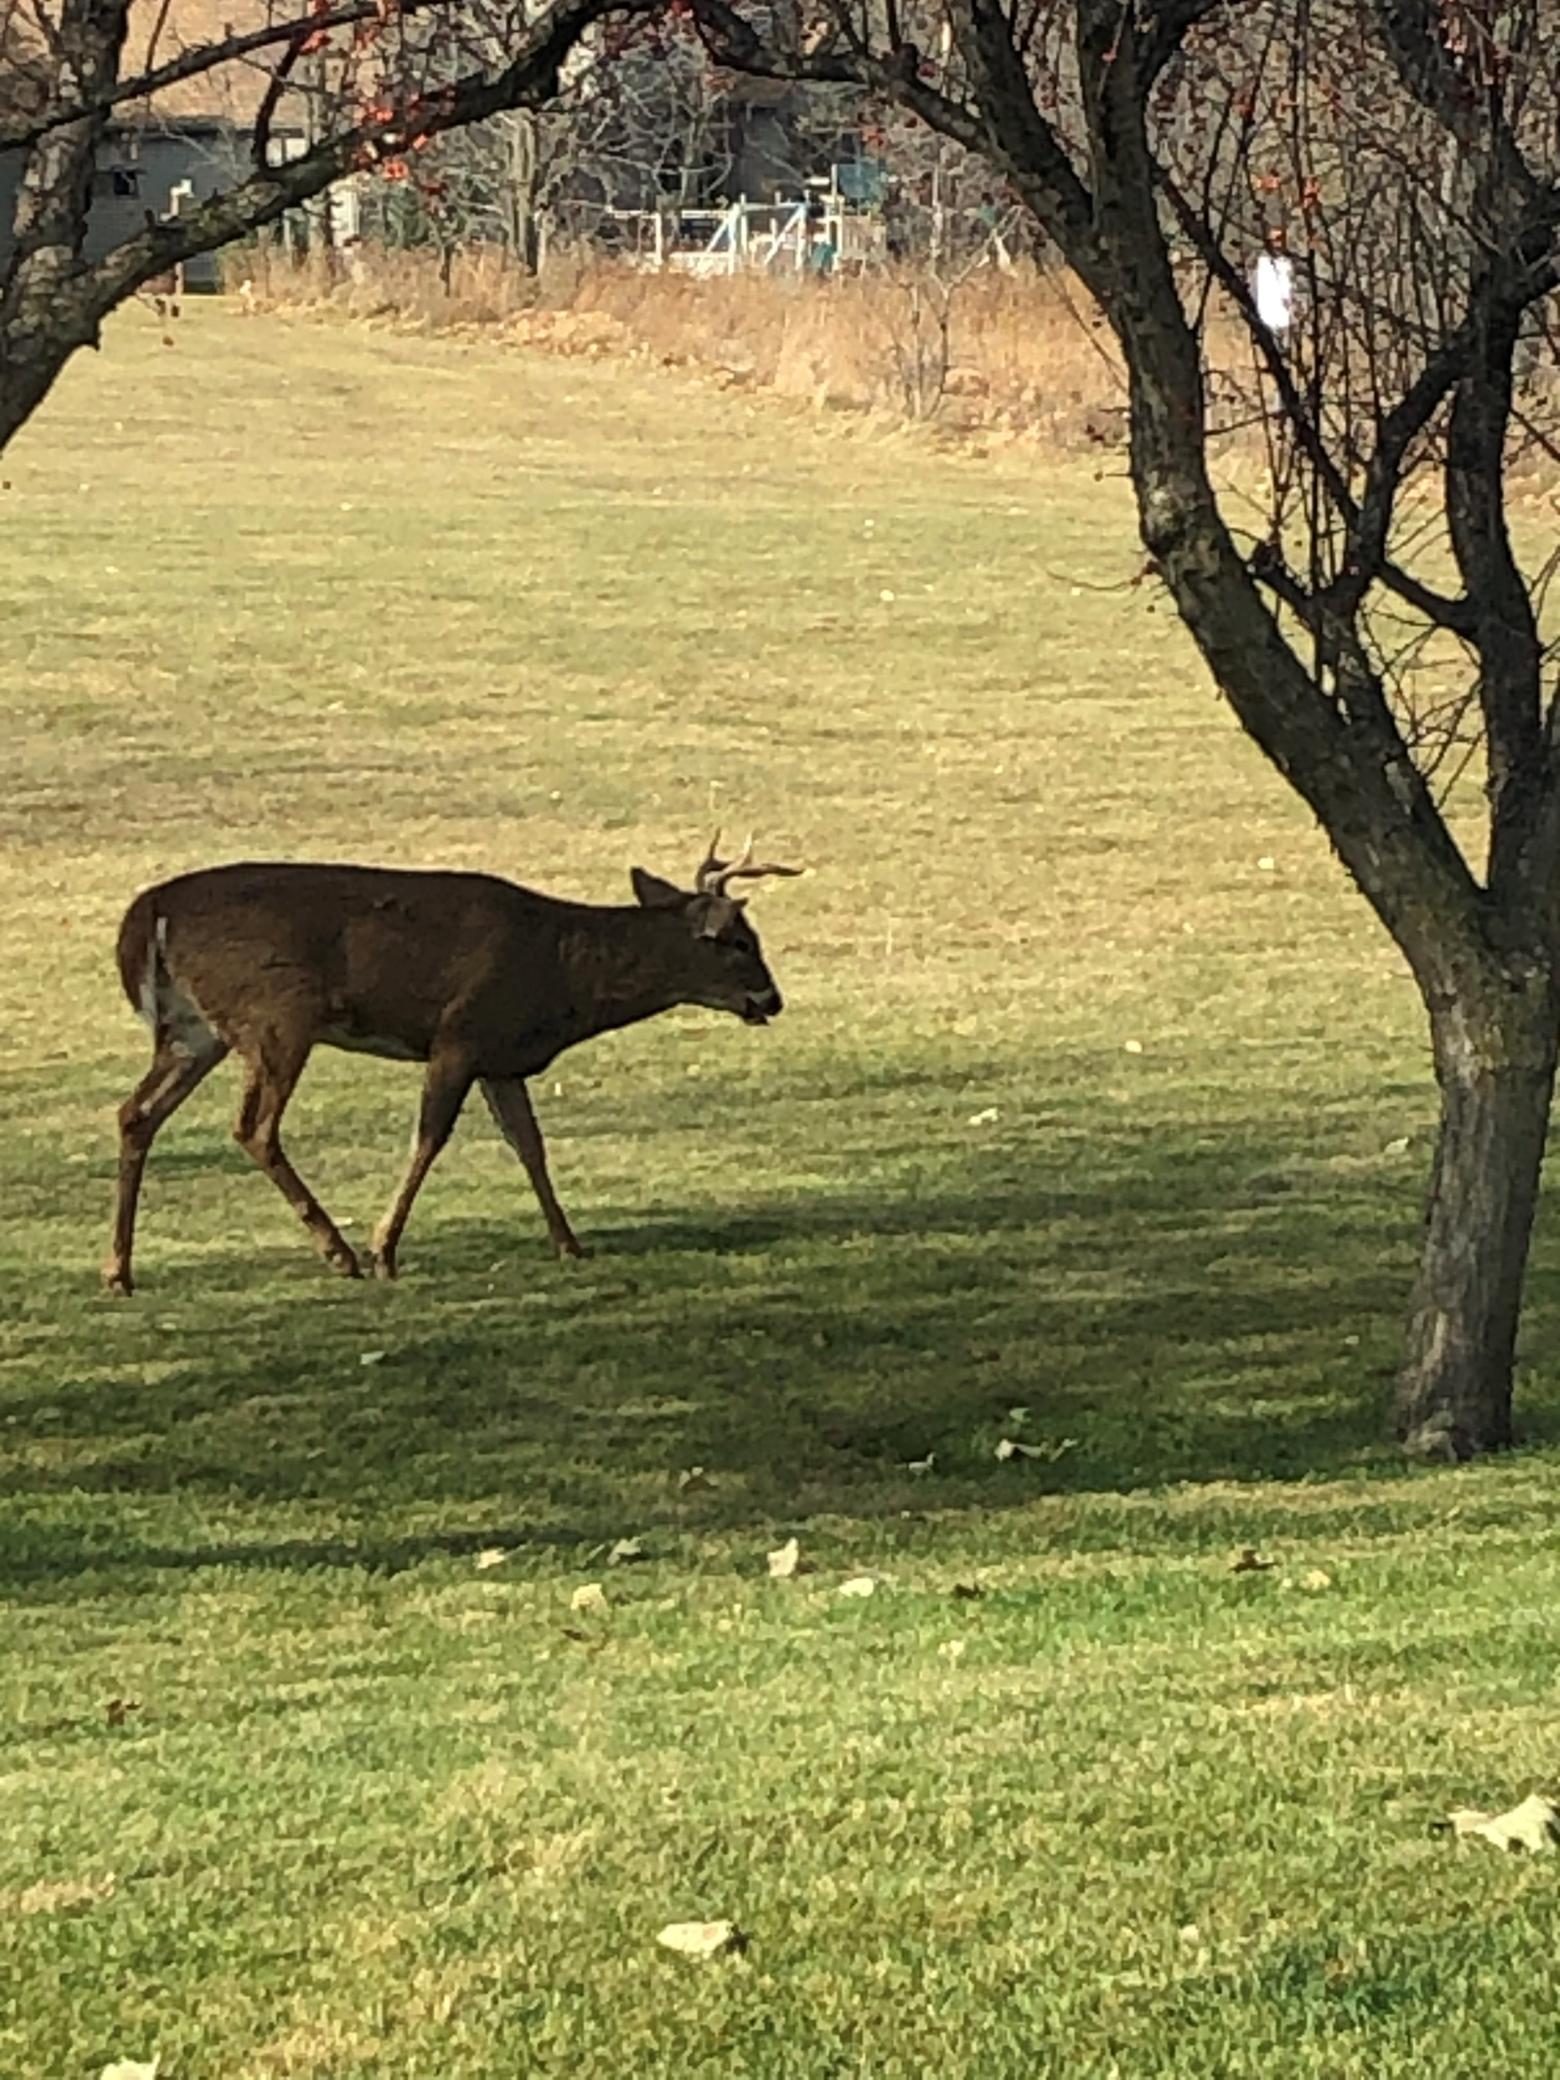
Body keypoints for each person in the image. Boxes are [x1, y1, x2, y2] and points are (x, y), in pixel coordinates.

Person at [1252, 224, 1296, 346]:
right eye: (1275, 239)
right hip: (1268, 312)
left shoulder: (1289, 262)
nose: (1278, 243)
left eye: (1280, 238)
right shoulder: (1263, 263)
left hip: (1286, 314)